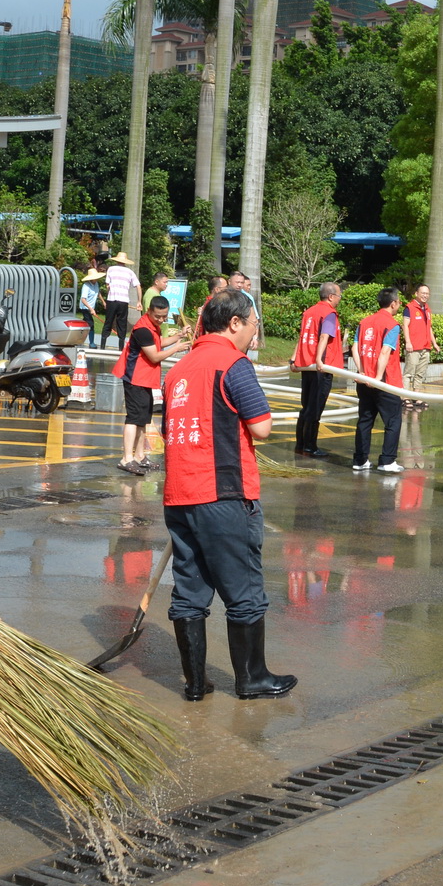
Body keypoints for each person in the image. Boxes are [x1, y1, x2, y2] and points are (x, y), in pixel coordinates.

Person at [162, 287, 291, 700]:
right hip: (224, 497)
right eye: (253, 326)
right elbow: (261, 428)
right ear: (234, 323)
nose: (255, 334)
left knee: (190, 592)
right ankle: (252, 678)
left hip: (180, 496)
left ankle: (196, 684)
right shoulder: (233, 365)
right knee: (245, 591)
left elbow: (169, 432)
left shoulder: (178, 371)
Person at [114, 295, 189, 475]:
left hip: (144, 379)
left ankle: (140, 456)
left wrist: (179, 336)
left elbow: (158, 344)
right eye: (158, 316)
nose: (161, 320)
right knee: (133, 418)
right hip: (134, 379)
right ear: (149, 311)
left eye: (164, 317)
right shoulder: (142, 330)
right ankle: (126, 458)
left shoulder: (152, 327)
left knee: (143, 419)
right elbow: (154, 355)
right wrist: (176, 349)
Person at [351, 289, 405, 473]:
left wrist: (362, 371)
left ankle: (360, 460)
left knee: (365, 420)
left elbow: (355, 347)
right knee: (393, 421)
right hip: (384, 381)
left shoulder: (364, 322)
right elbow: (384, 352)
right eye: (398, 302)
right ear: (393, 304)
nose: (399, 304)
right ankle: (387, 461)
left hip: (364, 379)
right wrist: (377, 378)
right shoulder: (392, 325)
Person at [290, 282, 343, 458]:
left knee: (306, 406)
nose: (339, 299)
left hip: (307, 364)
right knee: (315, 407)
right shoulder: (329, 313)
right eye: (339, 296)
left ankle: (300, 444)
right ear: (330, 296)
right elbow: (324, 336)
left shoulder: (309, 312)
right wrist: (320, 359)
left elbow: (301, 337)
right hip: (321, 365)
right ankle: (310, 446)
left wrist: (294, 358)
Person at [402, 284, 436, 407]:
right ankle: (405, 397)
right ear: (416, 293)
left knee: (420, 373)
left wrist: (434, 343)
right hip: (414, 346)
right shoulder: (409, 308)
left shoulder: (427, 309)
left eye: (427, 293)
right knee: (409, 373)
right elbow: (405, 325)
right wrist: (408, 342)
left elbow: (429, 327)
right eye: (423, 293)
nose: (425, 296)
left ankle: (416, 396)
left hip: (425, 346)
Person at [101, 253, 139, 349]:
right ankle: (121, 348)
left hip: (112, 299)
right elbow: (138, 286)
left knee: (108, 322)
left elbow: (107, 285)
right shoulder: (130, 272)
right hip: (123, 300)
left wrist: (109, 292)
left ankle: (102, 345)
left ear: (117, 260)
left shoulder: (111, 269)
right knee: (122, 323)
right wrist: (139, 301)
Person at [79, 264, 103, 346]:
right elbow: (83, 299)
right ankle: (91, 343)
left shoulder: (96, 284)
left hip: (91, 308)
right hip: (85, 308)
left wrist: (103, 301)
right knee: (91, 324)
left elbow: (98, 293)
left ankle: (78, 339)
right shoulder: (86, 286)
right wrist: (91, 309)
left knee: (84, 325)